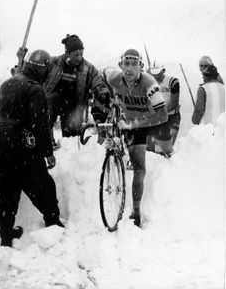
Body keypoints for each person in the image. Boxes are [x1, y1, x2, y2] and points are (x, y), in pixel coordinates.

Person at [0, 50, 64, 247]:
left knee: (7, 190)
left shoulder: (8, 82)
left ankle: (6, 234)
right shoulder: (35, 89)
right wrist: (48, 152)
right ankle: (53, 222)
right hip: (22, 147)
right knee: (42, 185)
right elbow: (39, 126)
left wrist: (8, 122)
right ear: (43, 70)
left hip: (0, 143)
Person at [106, 49, 172, 227]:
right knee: (139, 168)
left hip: (155, 121)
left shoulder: (149, 83)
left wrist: (134, 123)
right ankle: (136, 212)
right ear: (121, 66)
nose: (129, 69)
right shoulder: (114, 79)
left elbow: (163, 115)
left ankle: (171, 161)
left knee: (168, 152)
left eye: (134, 64)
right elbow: (104, 73)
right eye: (126, 64)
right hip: (133, 125)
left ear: (141, 67)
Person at [44, 34, 110, 146]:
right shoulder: (53, 63)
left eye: (81, 54)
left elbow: (97, 82)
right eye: (76, 54)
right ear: (67, 53)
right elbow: (37, 74)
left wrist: (103, 92)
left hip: (73, 105)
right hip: (53, 101)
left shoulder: (88, 68)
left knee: (72, 138)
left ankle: (69, 153)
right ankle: (46, 139)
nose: (79, 57)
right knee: (48, 110)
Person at [148, 65, 181, 148]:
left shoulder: (173, 81)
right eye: (153, 73)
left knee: (168, 147)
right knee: (152, 147)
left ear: (163, 71)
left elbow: (174, 102)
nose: (155, 76)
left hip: (172, 117)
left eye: (158, 73)